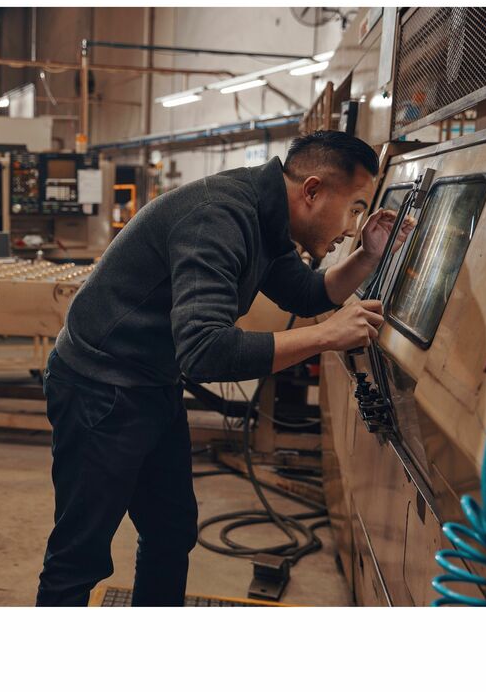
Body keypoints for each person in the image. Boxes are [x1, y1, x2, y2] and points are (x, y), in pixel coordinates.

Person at [35, 130, 414, 607]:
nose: (353, 226)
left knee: (171, 531)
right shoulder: (217, 217)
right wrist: (325, 336)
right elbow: (204, 350)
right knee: (81, 555)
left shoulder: (265, 214)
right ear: (312, 190)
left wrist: (369, 255)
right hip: (99, 387)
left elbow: (305, 293)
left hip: (151, 382)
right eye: (355, 209)